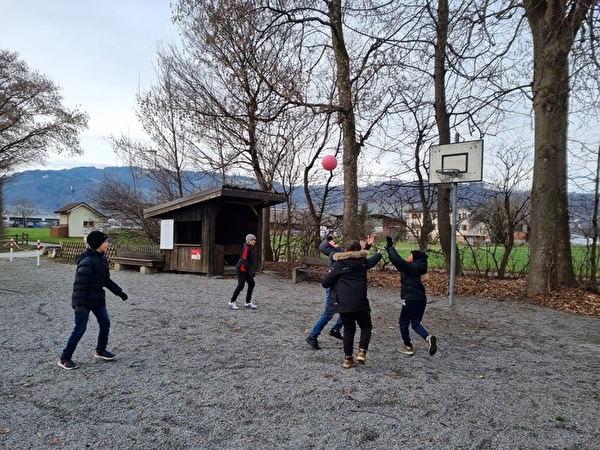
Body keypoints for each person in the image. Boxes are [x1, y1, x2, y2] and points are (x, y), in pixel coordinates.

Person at [58, 231, 128, 370]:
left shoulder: (102, 259)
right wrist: (78, 304)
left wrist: (119, 292)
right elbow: (79, 285)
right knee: (80, 329)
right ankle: (64, 359)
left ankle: (100, 350)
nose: (108, 244)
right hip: (83, 302)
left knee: (105, 323)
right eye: (105, 242)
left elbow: (105, 279)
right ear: (98, 244)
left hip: (97, 299)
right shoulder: (87, 261)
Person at [306, 234, 375, 350]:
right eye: (332, 243)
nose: (336, 243)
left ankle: (336, 329)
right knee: (328, 314)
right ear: (327, 247)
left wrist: (366, 247)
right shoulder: (334, 254)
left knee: (347, 309)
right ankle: (312, 336)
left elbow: (354, 258)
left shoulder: (340, 253)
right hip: (334, 288)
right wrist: (363, 249)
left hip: (341, 288)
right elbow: (351, 258)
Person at [322, 240, 382, 368]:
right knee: (366, 326)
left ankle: (348, 359)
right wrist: (379, 253)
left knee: (349, 329)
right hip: (360, 301)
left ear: (346, 250)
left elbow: (325, 282)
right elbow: (373, 260)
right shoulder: (363, 262)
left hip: (344, 303)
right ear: (358, 251)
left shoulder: (339, 264)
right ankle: (362, 351)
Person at [384, 236, 437, 356]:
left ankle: (407, 346)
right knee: (416, 323)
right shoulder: (414, 268)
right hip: (421, 299)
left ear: (414, 259)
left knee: (403, 322)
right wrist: (389, 249)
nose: (408, 256)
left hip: (411, 299)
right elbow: (399, 264)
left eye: (410, 255)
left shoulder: (412, 267)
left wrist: (391, 248)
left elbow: (399, 262)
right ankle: (428, 337)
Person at [229, 234, 258, 310]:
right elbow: (243, 260)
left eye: (254, 240)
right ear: (248, 241)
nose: (253, 241)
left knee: (252, 284)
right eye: (252, 240)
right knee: (241, 285)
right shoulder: (246, 248)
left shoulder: (252, 248)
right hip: (241, 269)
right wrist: (250, 270)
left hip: (247, 270)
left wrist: (250, 270)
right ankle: (232, 302)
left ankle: (248, 302)